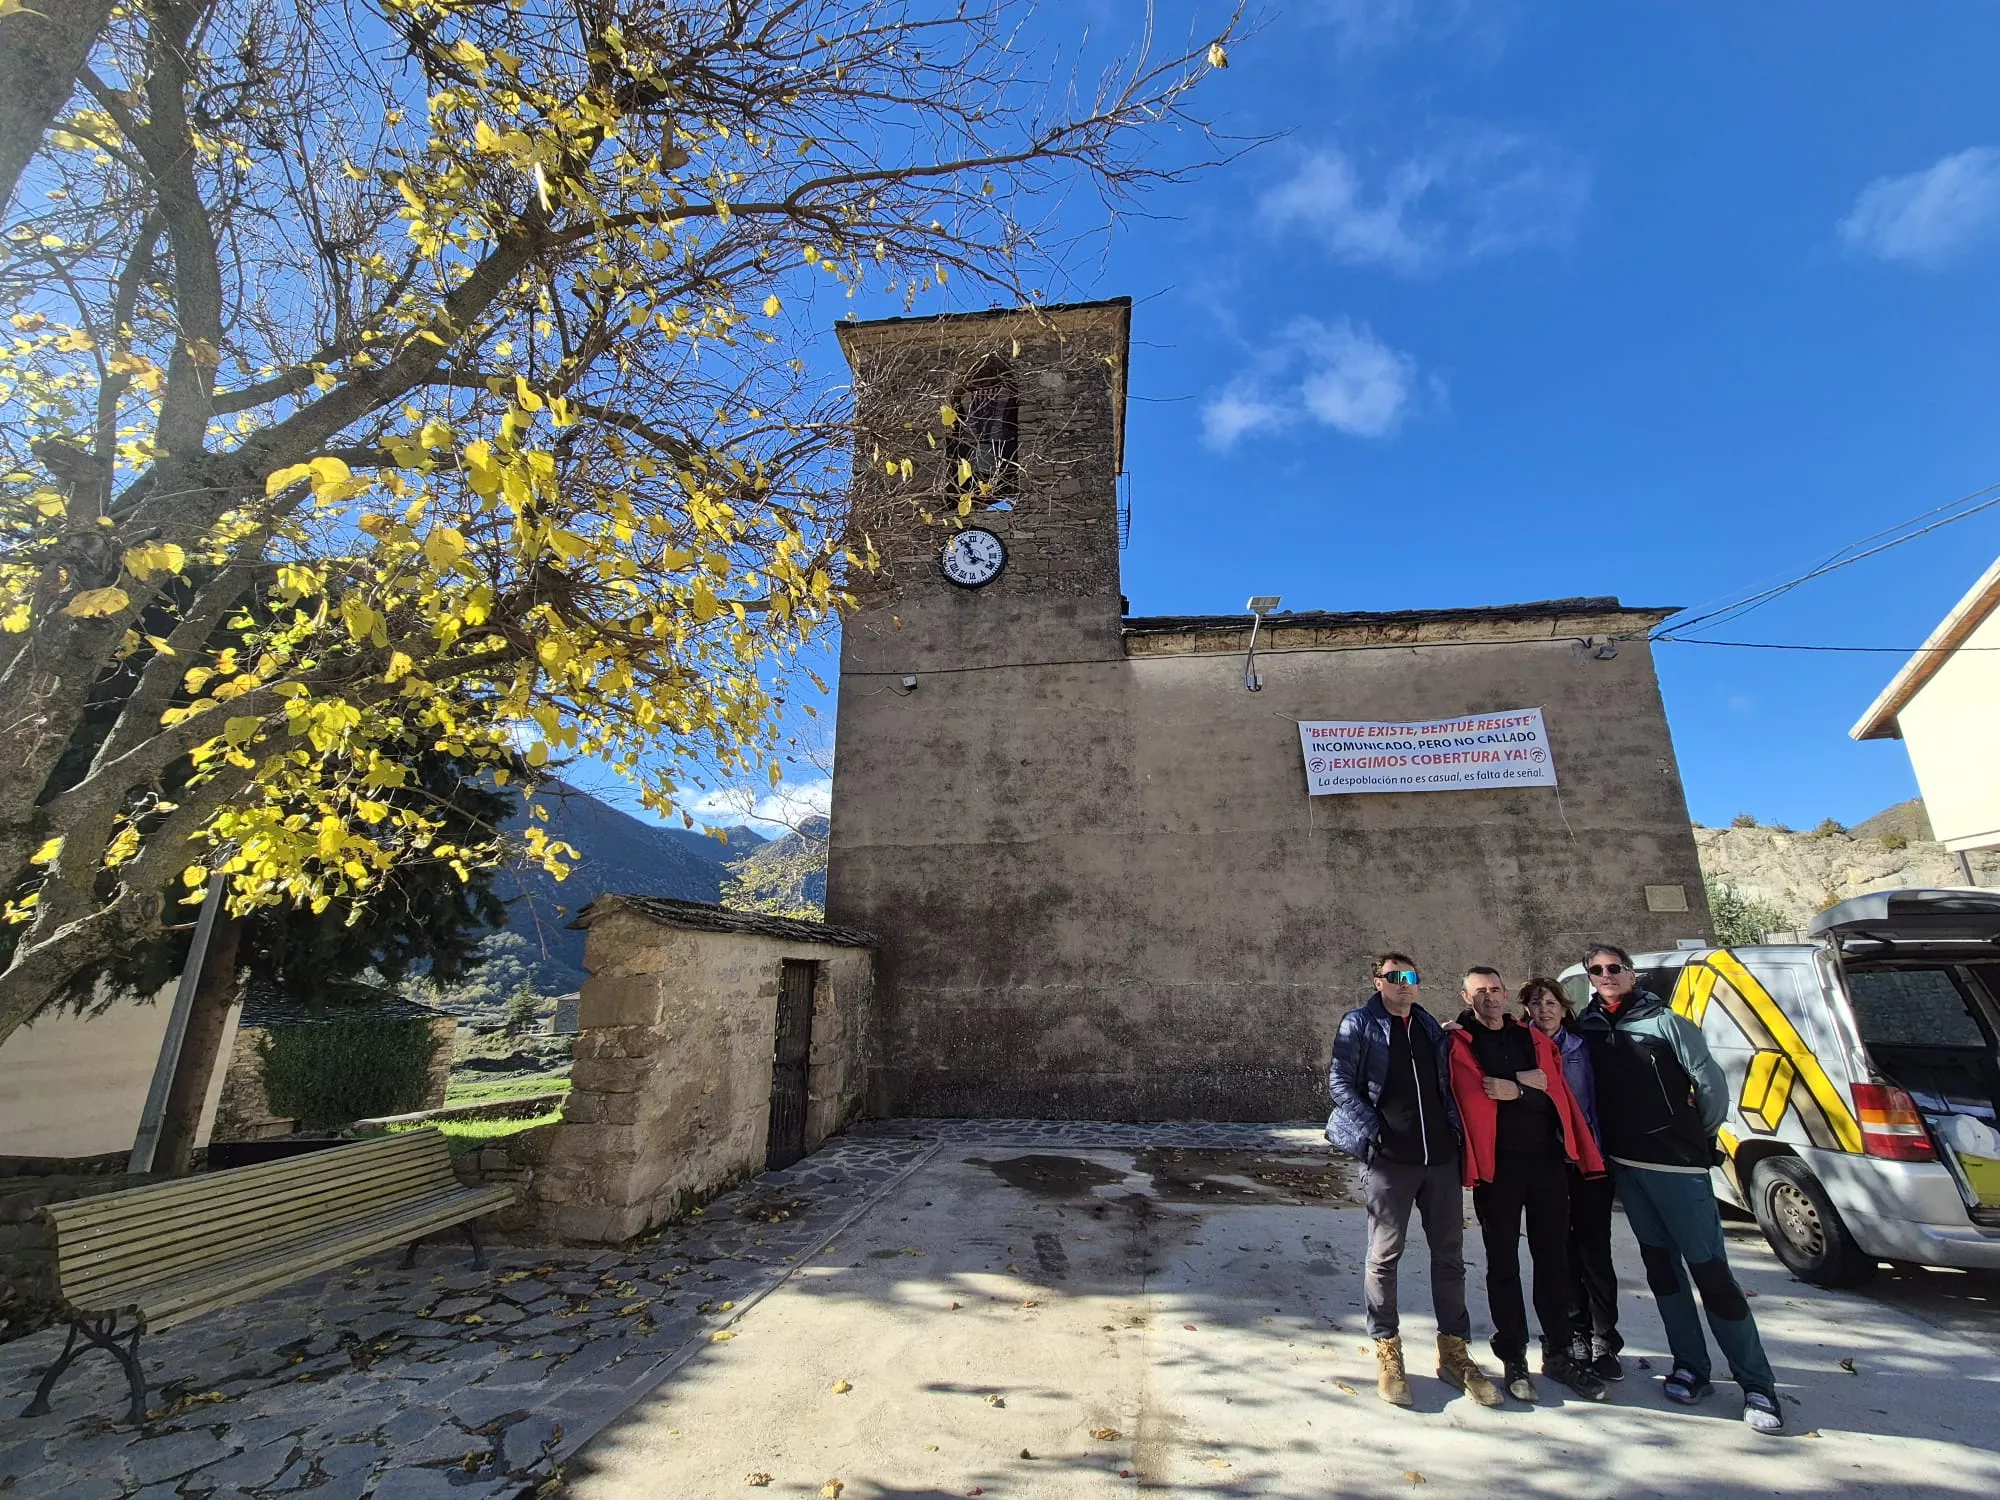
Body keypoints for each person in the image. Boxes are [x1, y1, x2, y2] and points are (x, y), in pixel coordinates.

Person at [1572, 943, 1787, 1435]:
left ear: (1631, 974)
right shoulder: (1587, 1026)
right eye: (1596, 970)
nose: (1605, 976)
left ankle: (1757, 1384)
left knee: (1711, 1274)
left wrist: (1698, 1137)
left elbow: (1709, 1085)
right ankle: (1691, 1367)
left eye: (1614, 969)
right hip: (1627, 1166)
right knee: (1662, 1272)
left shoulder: (1667, 1023)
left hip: (1677, 1167)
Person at [1327, 953, 1502, 1409]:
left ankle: (1454, 1353)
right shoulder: (1360, 1023)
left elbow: (1456, 1068)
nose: (1404, 984)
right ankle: (1387, 1348)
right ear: (1378, 981)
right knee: (1384, 1255)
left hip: (1439, 1159)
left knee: (1450, 1257)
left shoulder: (1429, 1028)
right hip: (1391, 1161)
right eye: (1394, 977)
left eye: (1411, 978)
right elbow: (1340, 1083)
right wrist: (1376, 1131)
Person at [1446, 967, 1608, 1403]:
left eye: (1496, 990)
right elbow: (1474, 1094)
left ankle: (1557, 1352)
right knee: (1503, 1263)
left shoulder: (1530, 1038)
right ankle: (1513, 1353)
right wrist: (1522, 1084)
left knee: (1553, 1258)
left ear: (1505, 994)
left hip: (1547, 1164)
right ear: (1466, 997)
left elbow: (1554, 1096)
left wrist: (1514, 1089)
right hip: (1497, 1169)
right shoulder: (1461, 1042)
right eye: (1480, 992)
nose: (1491, 998)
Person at [1522, 976, 1624, 1382]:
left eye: (1551, 1002)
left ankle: (1604, 1337)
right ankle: (1573, 1332)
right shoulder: (1520, 1045)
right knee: (1557, 1251)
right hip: (1545, 1163)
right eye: (1536, 1003)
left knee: (1594, 1251)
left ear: (1564, 1008)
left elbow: (1603, 1100)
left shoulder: (1585, 1047)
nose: (1544, 1010)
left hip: (1588, 1161)